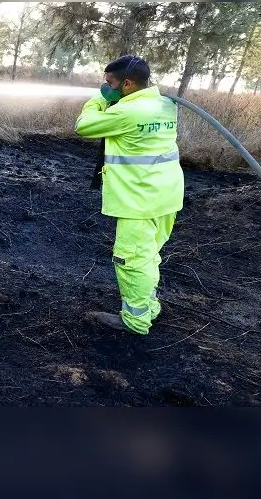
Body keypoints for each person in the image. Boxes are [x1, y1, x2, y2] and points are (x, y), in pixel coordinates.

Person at [74, 55, 184, 334]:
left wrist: (97, 101)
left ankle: (135, 320)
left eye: (109, 82)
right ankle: (149, 306)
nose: (105, 85)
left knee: (131, 260)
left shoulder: (128, 113)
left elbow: (84, 126)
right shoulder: (164, 104)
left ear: (127, 84)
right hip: (165, 195)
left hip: (139, 200)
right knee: (148, 256)